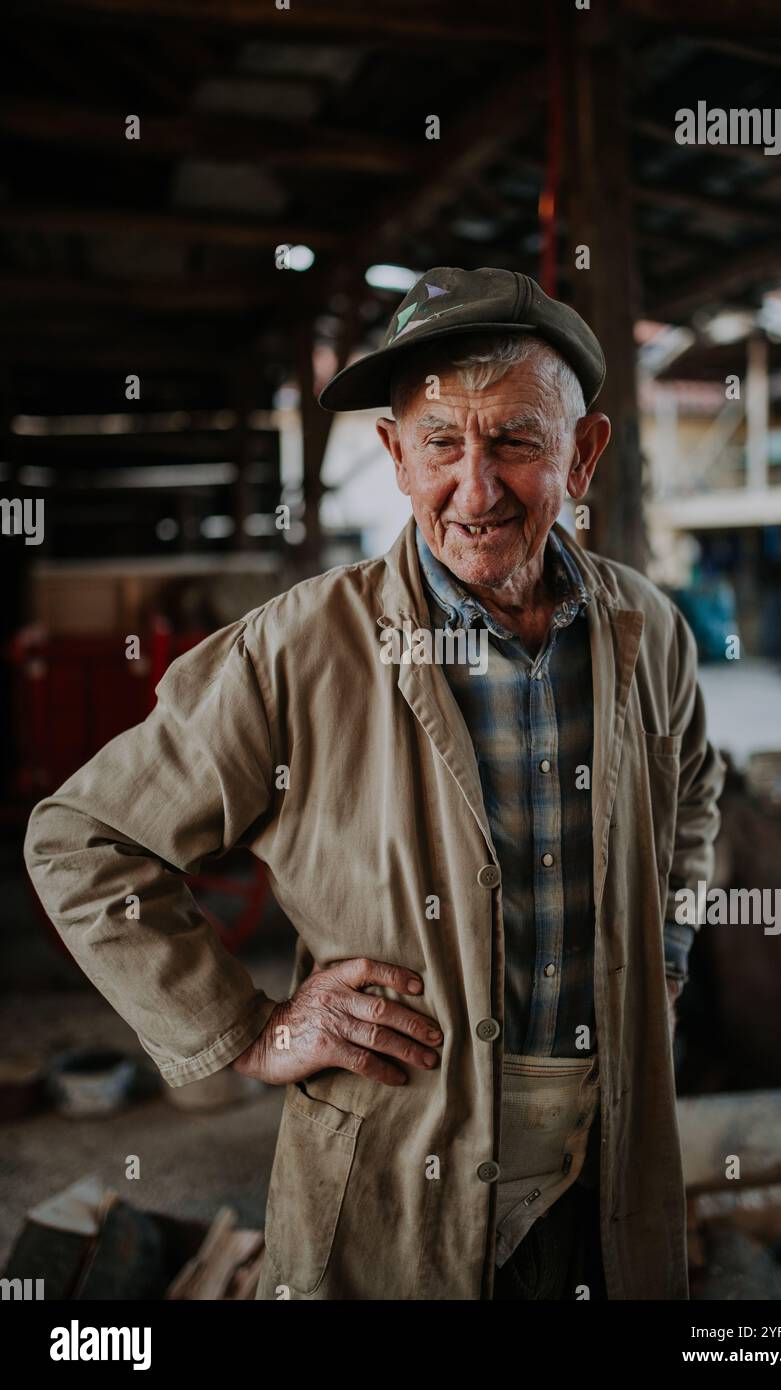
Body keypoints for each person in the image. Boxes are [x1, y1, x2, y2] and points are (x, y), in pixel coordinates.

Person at [25, 266, 724, 1300]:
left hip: (610, 1156)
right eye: (442, 443)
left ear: (583, 455)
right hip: (399, 1173)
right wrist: (250, 1027)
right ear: (397, 457)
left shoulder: (647, 629)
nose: (475, 489)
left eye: (517, 441)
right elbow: (81, 839)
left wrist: (663, 949)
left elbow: (696, 789)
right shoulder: (297, 649)